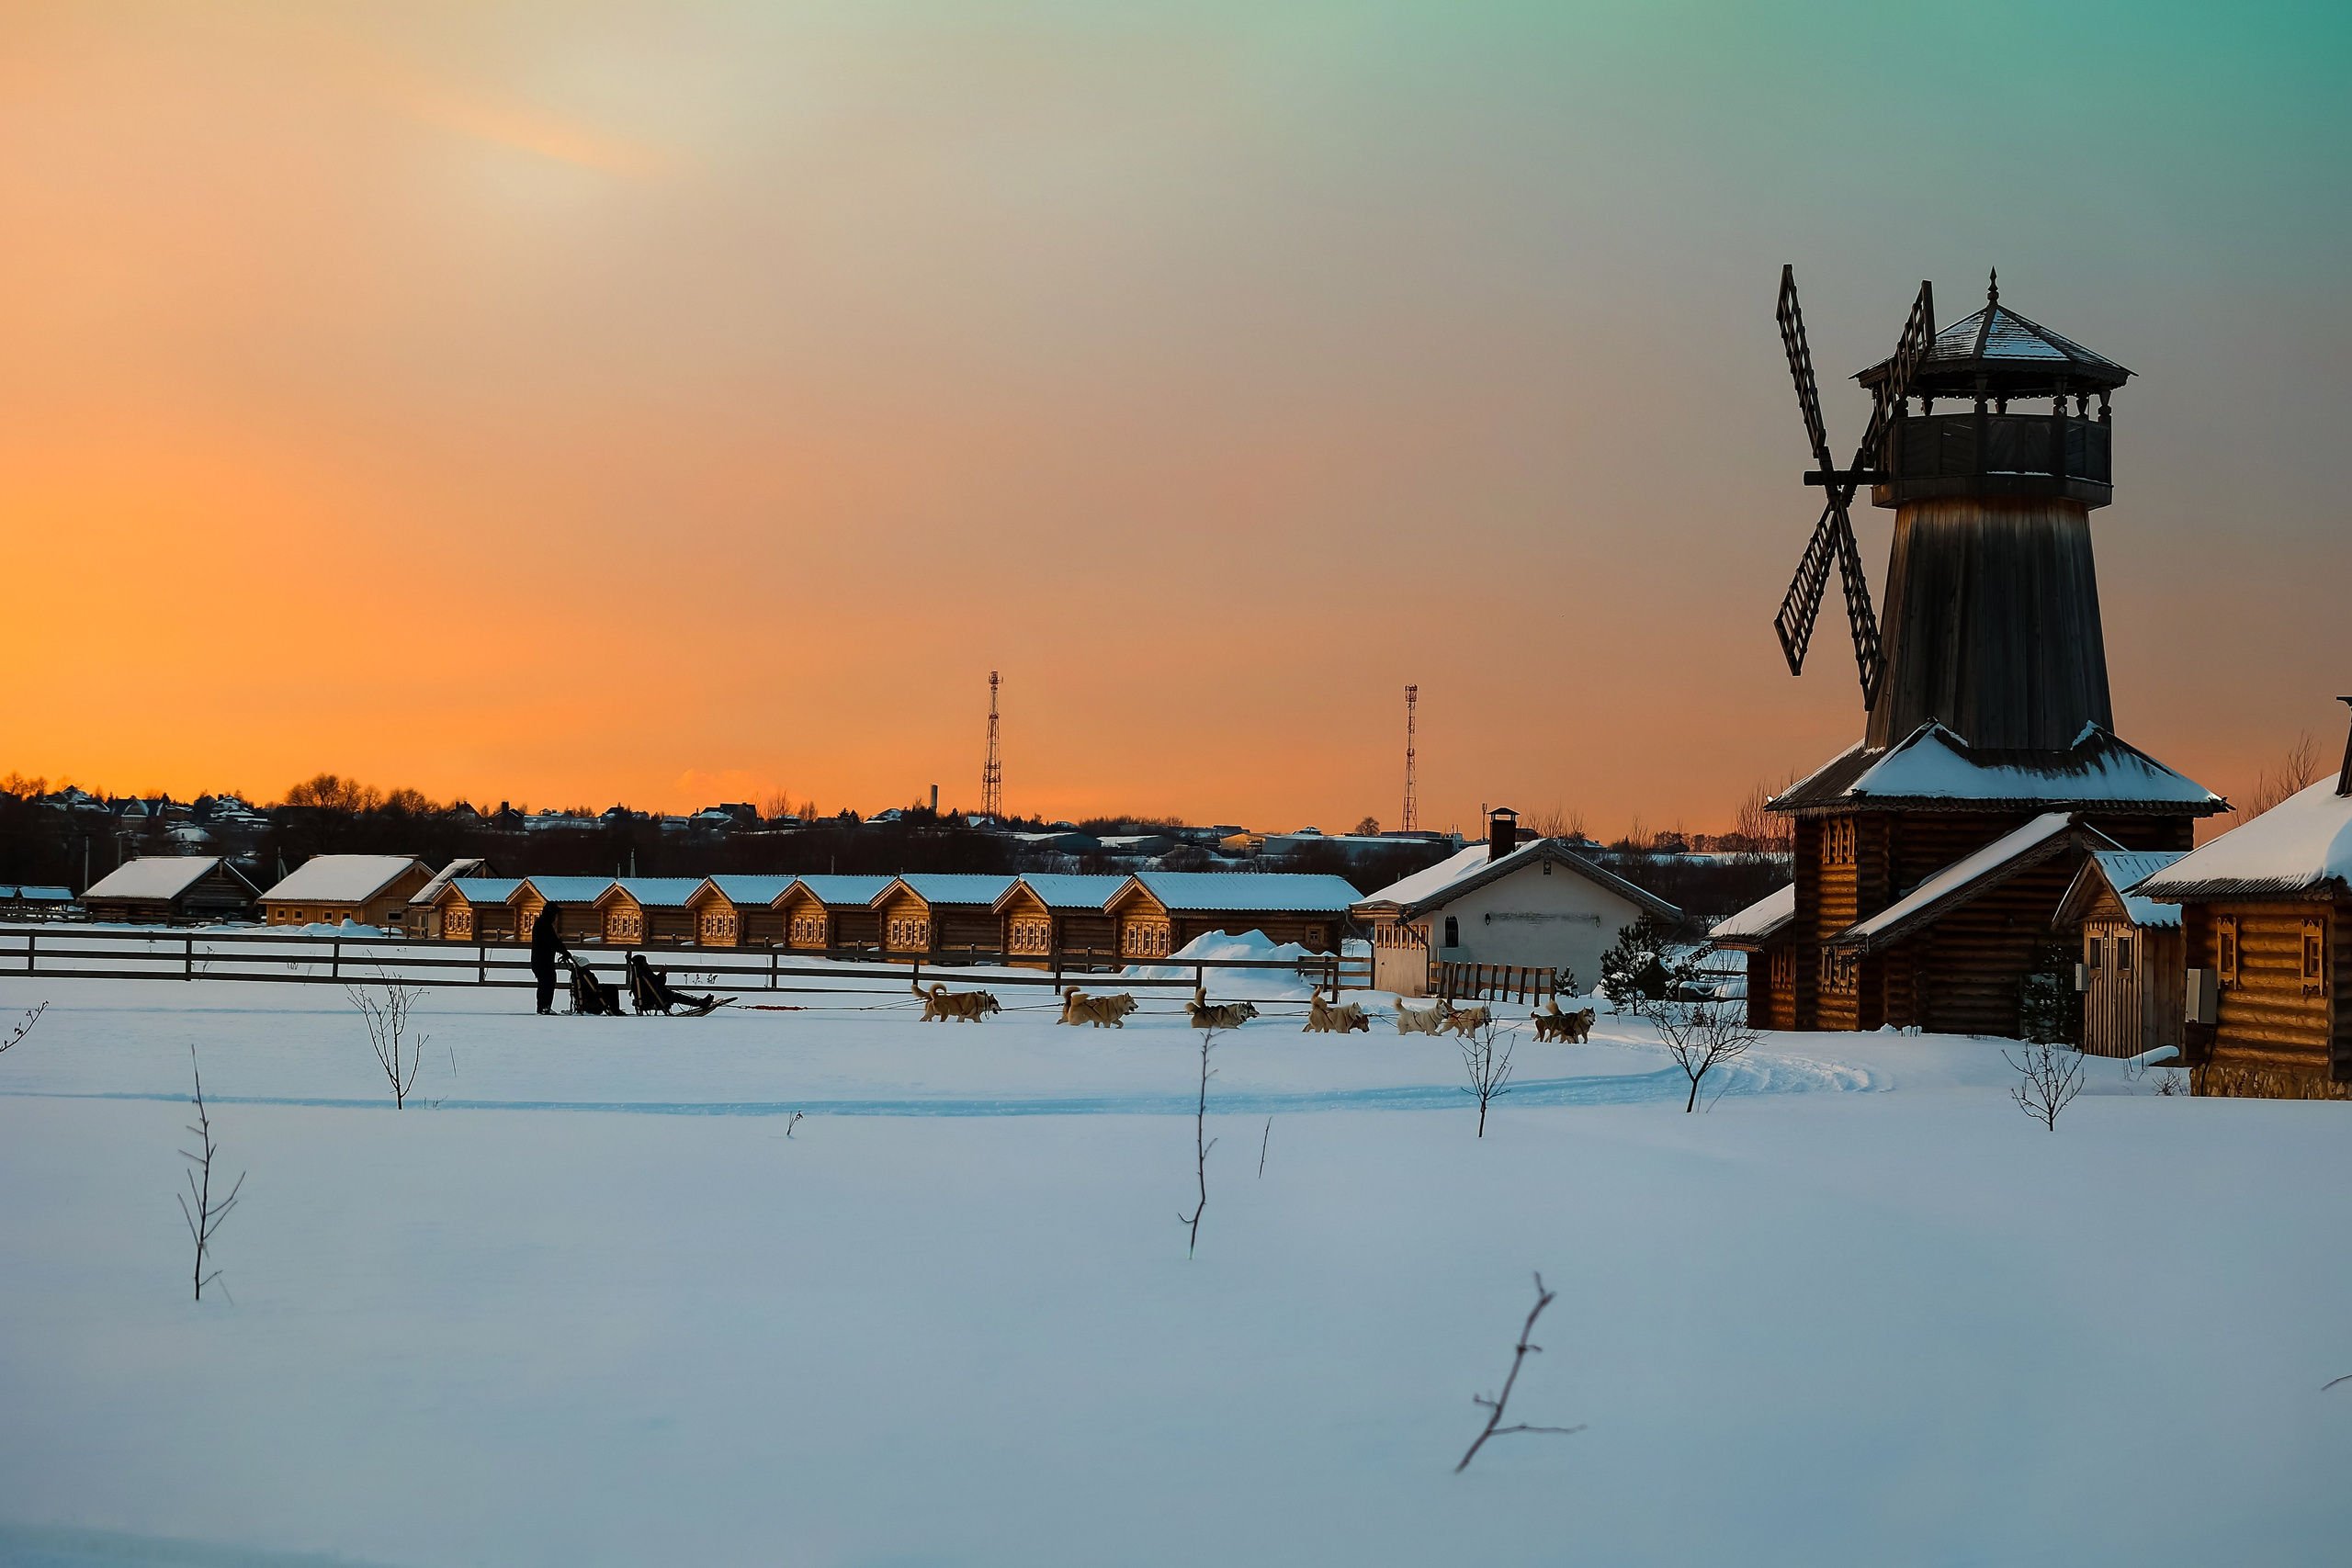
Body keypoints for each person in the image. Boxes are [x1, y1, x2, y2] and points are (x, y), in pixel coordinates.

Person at [530, 904, 571, 1015]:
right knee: (547, 983)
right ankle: (544, 1007)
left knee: (546, 983)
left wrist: (563, 950)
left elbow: (553, 941)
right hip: (543, 960)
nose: (556, 917)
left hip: (542, 960)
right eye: (555, 914)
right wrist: (564, 951)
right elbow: (553, 941)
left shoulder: (543, 923)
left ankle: (544, 1007)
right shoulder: (544, 925)